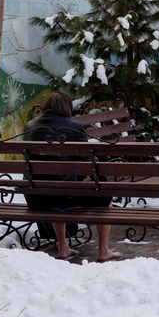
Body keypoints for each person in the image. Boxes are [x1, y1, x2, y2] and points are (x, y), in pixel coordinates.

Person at [23, 91, 123, 262]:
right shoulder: (73, 127)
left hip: (35, 198)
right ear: (67, 108)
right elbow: (89, 162)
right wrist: (105, 187)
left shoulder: (30, 126)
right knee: (104, 198)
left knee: (56, 186)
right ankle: (104, 251)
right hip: (63, 197)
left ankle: (63, 247)